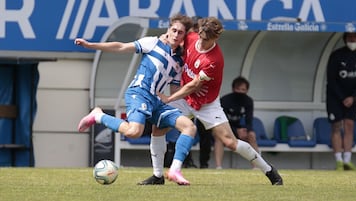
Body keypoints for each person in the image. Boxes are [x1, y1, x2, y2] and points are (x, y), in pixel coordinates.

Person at [141, 16, 283, 186]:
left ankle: (269, 170)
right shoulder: (192, 38)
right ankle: (158, 176)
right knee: (158, 127)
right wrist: (164, 38)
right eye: (201, 36)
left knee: (230, 142)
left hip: (206, 104)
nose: (202, 42)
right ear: (198, 32)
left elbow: (194, 85)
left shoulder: (214, 60)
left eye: (207, 39)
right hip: (185, 99)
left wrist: (169, 98)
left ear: (216, 38)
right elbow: (175, 38)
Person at [74, 14, 199, 182]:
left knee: (189, 127)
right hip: (139, 93)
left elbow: (175, 89)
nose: (176, 35)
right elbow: (120, 47)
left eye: (180, 32)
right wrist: (91, 45)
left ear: (184, 36)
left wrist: (185, 100)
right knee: (134, 132)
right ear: (168, 30)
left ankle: (161, 175)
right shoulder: (153, 43)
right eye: (174, 30)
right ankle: (98, 115)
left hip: (156, 101)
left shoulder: (178, 61)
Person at [326, 32, 356, 171]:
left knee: (350, 125)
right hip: (335, 97)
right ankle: (338, 160)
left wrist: (353, 97)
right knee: (336, 126)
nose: (352, 40)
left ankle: (347, 160)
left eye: (355, 38)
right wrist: (342, 98)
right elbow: (331, 79)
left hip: (352, 98)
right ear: (345, 39)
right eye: (350, 38)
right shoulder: (337, 55)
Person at [212, 76, 260, 169]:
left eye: (243, 89)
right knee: (218, 137)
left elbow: (249, 119)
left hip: (239, 129)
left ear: (247, 90)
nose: (240, 92)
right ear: (233, 89)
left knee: (251, 136)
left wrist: (248, 130)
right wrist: (235, 130)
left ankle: (256, 166)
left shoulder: (248, 101)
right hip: (225, 128)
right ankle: (219, 166)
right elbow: (222, 120)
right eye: (238, 89)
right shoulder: (225, 100)